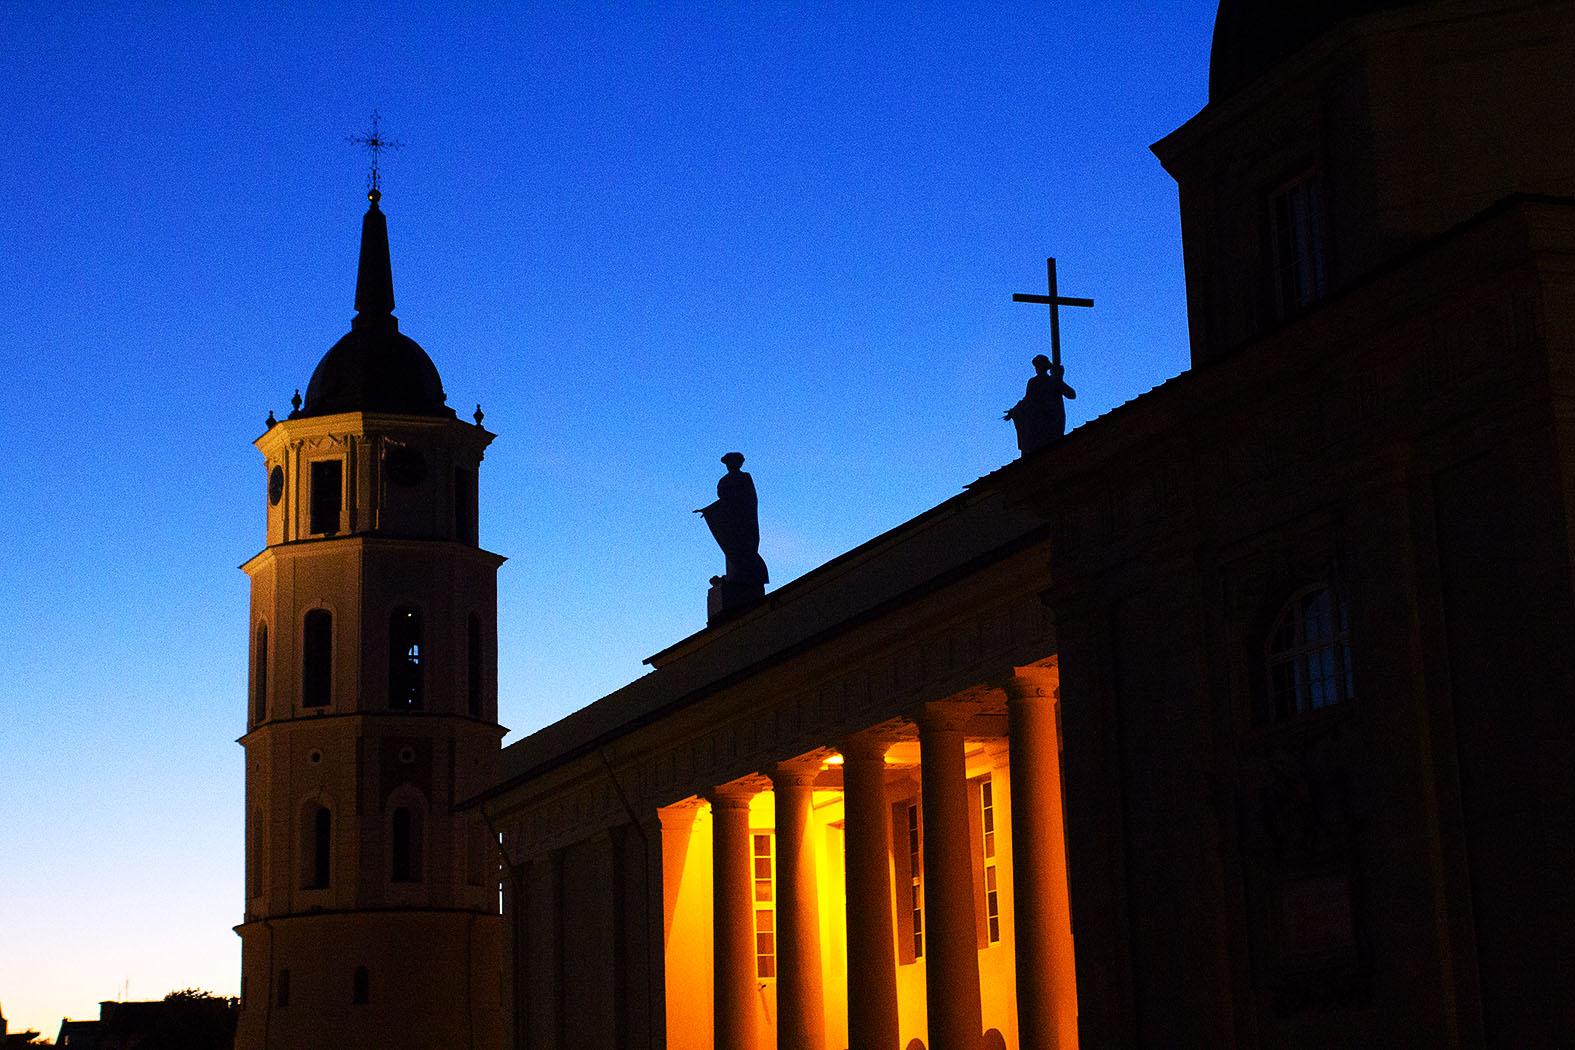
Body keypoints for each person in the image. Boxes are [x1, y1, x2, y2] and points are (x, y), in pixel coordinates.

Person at [695, 452, 769, 588]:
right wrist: (708, 510)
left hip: (744, 519)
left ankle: (748, 574)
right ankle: (736, 575)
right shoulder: (724, 481)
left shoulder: (745, 477)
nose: (730, 465)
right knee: (732, 547)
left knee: (745, 547)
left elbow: (749, 498)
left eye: (733, 462)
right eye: (728, 462)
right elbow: (724, 499)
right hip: (731, 520)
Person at [1004, 353, 1076, 453]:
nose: (1036, 368)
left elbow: (1072, 394)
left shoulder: (1051, 381)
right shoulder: (1034, 382)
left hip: (1051, 421)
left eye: (1038, 365)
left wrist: (1059, 379)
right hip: (1039, 422)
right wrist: (1014, 410)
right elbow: (1028, 400)